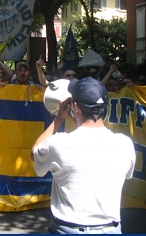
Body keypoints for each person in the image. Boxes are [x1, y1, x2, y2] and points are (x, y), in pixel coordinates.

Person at [30, 77, 136, 234]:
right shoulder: (125, 144)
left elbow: (34, 153)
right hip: (110, 229)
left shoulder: (59, 144)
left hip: (69, 229)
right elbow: (127, 175)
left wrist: (59, 118)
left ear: (76, 107)